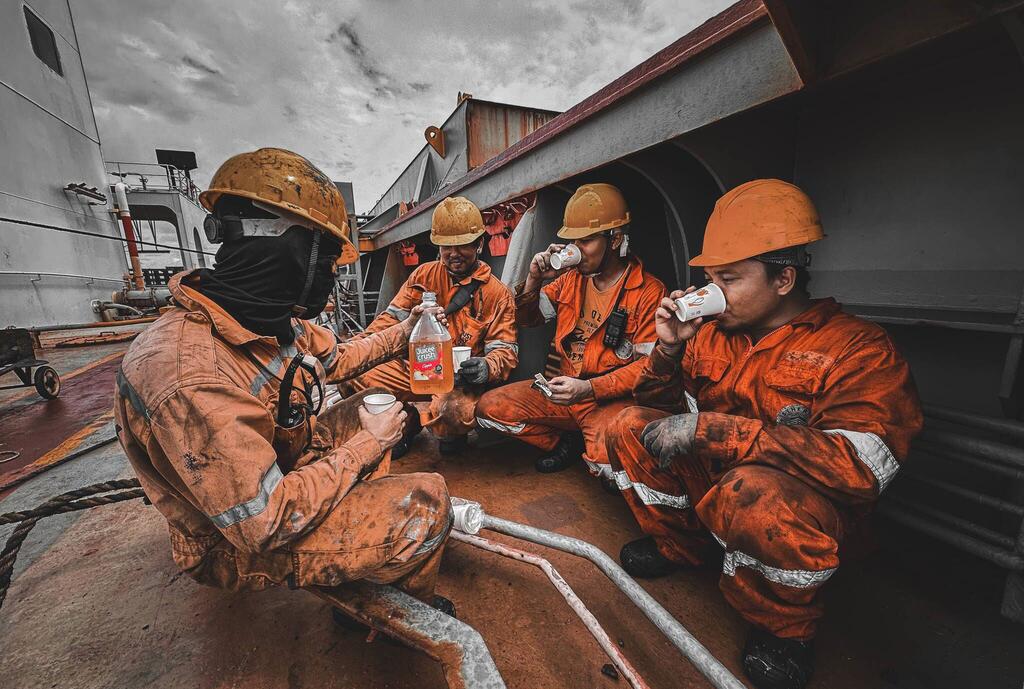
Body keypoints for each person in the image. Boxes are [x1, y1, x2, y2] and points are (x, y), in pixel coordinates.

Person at [604, 179, 923, 689]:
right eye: (709, 278)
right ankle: (683, 546)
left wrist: (719, 432)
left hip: (791, 514)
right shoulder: (711, 335)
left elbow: (860, 468)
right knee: (628, 425)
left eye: (728, 279)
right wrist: (668, 349)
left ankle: (784, 628)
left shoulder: (857, 349)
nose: (712, 293)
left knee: (753, 491)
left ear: (783, 279)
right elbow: (659, 412)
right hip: (718, 489)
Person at [114, 148, 454, 614]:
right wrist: (367, 446)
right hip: (232, 542)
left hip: (279, 466)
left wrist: (406, 330)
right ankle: (385, 610)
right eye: (327, 257)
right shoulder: (190, 379)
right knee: (427, 502)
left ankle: (356, 543)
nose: (333, 272)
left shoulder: (260, 316)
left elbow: (340, 358)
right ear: (289, 248)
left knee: (372, 402)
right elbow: (263, 522)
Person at [476, 183, 664, 483]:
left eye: (586, 241)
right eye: (574, 240)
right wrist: (534, 279)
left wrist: (589, 388)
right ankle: (565, 442)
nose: (577, 249)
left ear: (615, 240)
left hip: (607, 399)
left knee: (609, 466)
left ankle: (591, 444)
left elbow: (648, 368)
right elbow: (528, 319)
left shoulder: (648, 292)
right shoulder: (571, 280)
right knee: (489, 409)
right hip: (563, 391)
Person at [342, 196, 518, 455]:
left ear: (479, 244)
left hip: (458, 381)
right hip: (417, 370)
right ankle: (406, 421)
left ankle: (450, 431)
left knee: (451, 412)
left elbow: (504, 350)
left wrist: (486, 367)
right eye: (446, 246)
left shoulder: (497, 294)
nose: (454, 254)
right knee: (355, 373)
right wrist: (356, 346)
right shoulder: (423, 276)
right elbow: (390, 320)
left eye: (462, 245)